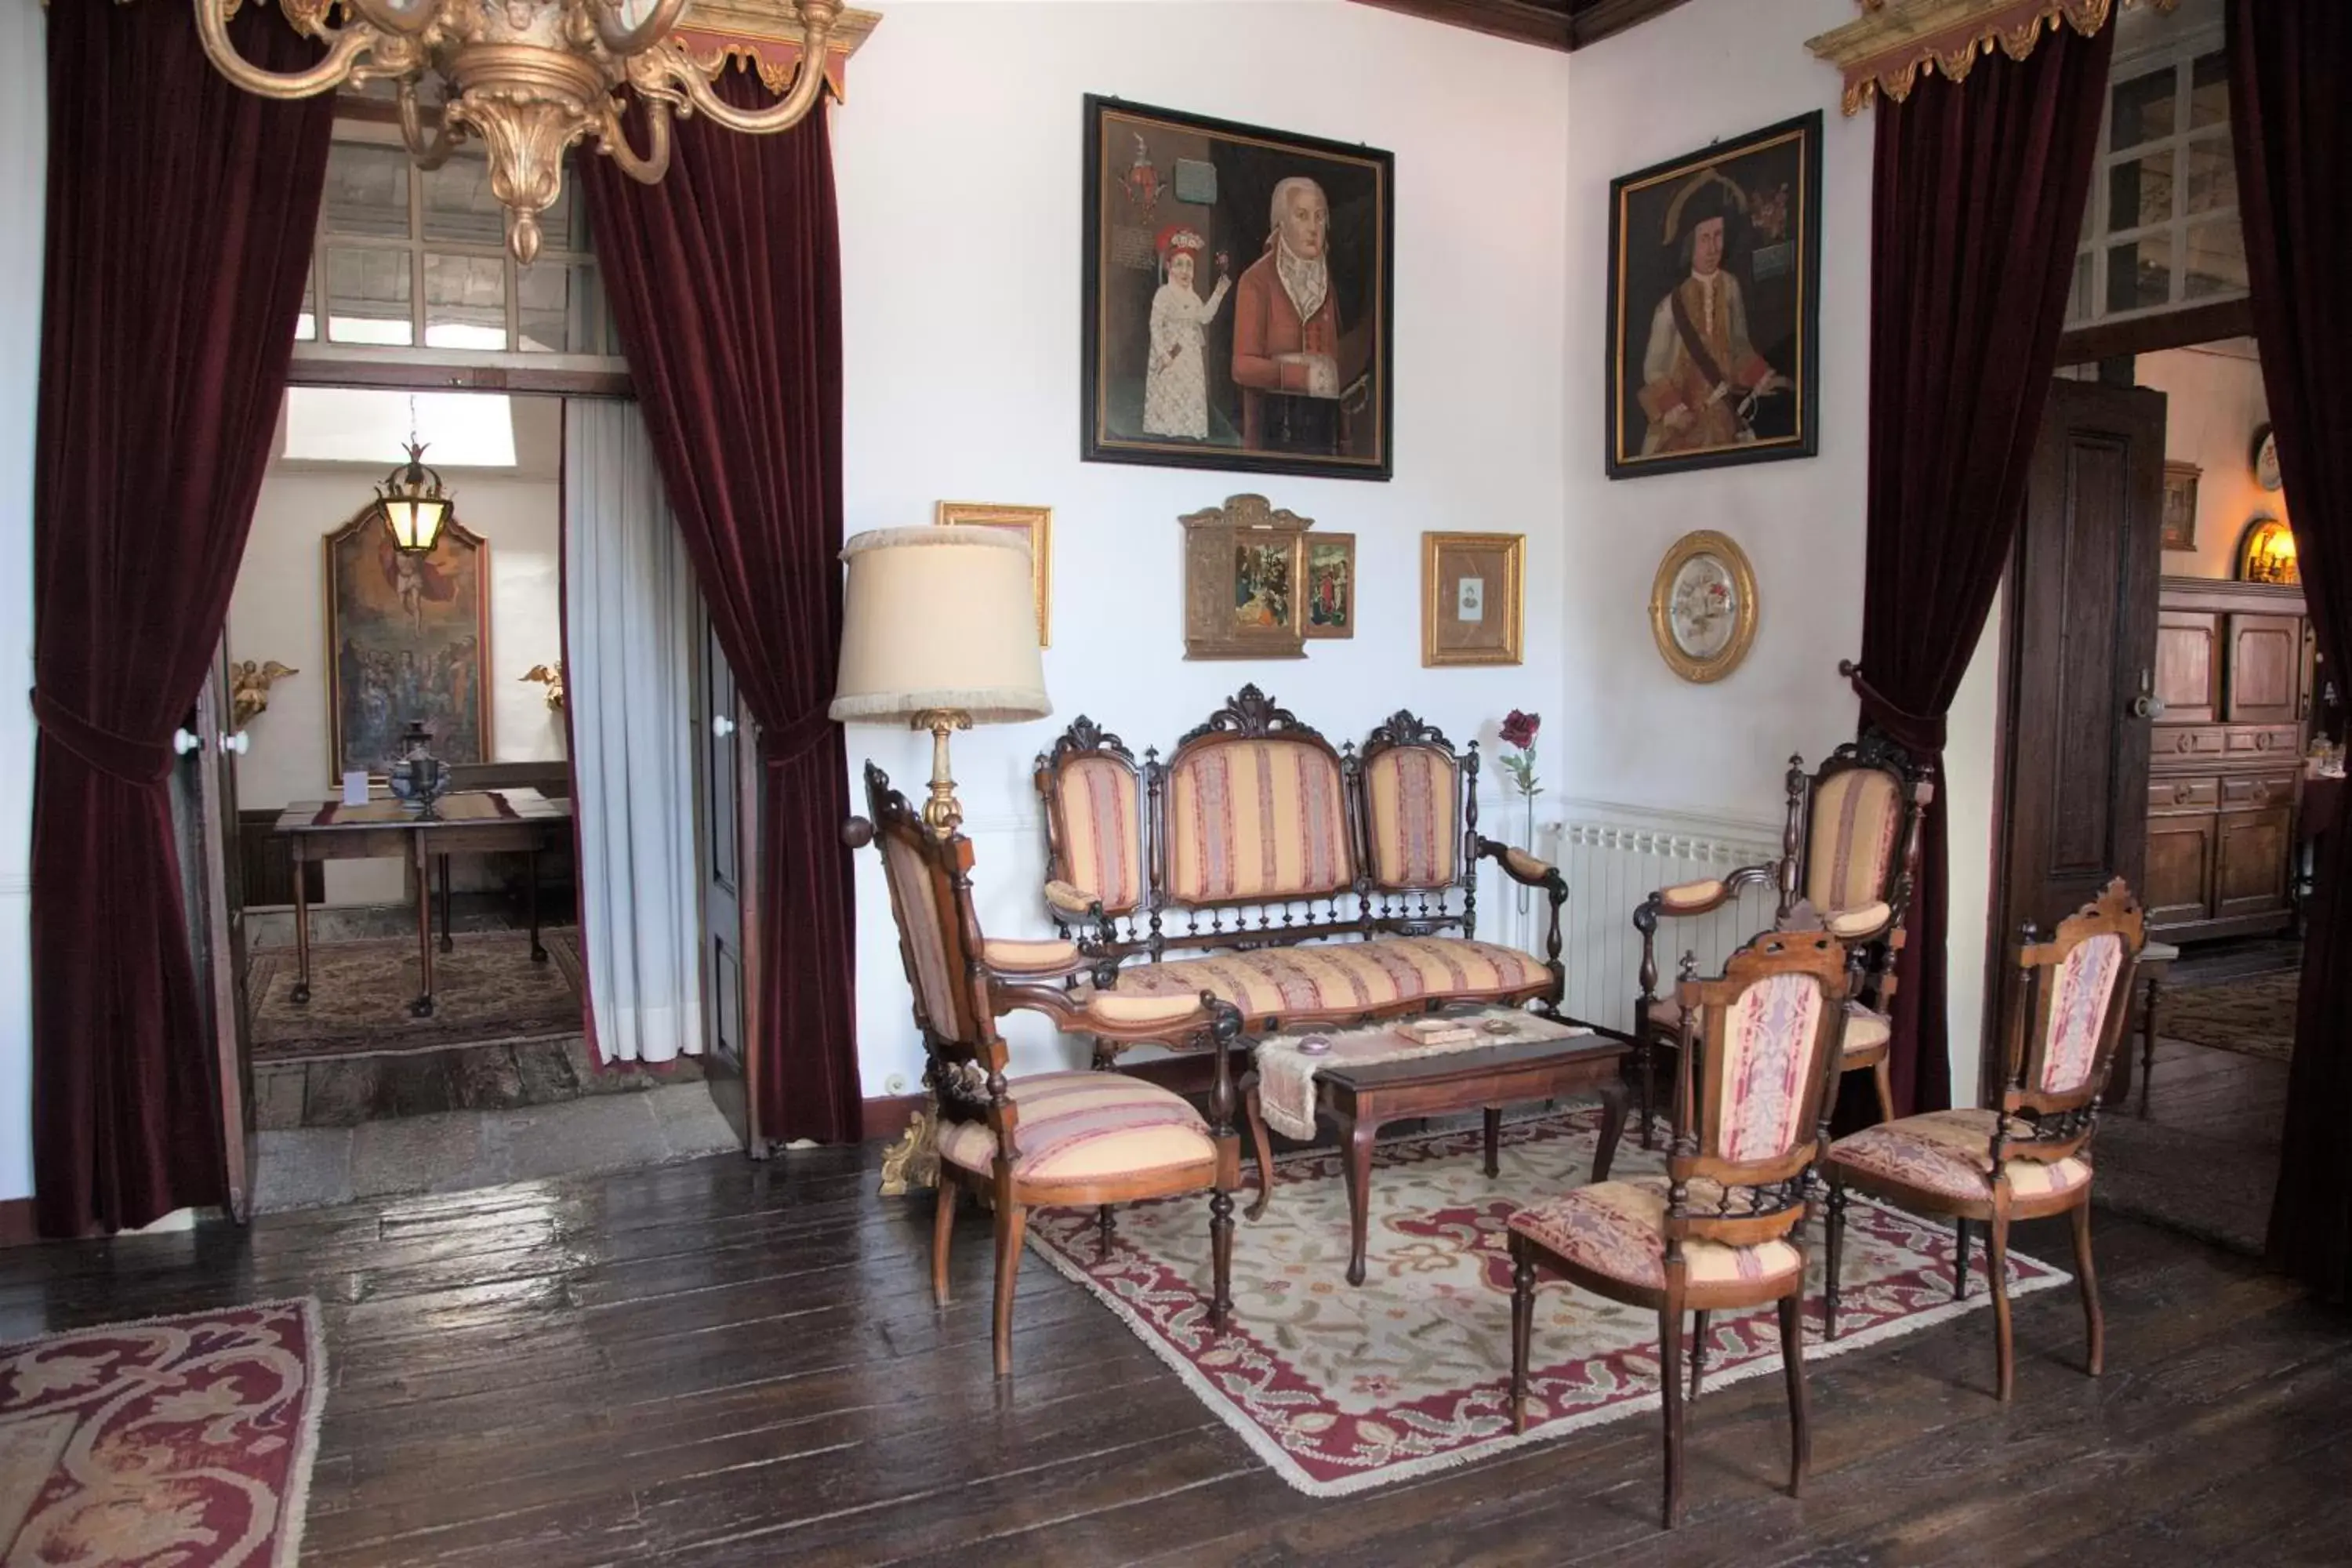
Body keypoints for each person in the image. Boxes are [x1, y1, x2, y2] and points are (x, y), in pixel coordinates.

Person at [1637, 173, 1788, 456]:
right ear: (1690, 244)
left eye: (1718, 235)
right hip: (1684, 424)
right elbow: (1653, 368)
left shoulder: (1730, 287)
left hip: (1724, 417)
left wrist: (1763, 378)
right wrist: (1674, 408)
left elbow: (1739, 346)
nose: (1713, 247)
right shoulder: (1670, 305)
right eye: (1705, 238)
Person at [1232, 176, 1344, 449]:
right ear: (1281, 223)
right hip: (1270, 438)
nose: (1313, 228)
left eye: (1319, 218)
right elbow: (1241, 367)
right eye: (1302, 216)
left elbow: (1334, 366)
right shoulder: (1256, 280)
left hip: (1320, 439)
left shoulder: (1327, 285)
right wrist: (1300, 375)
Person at [1141, 224, 1230, 440]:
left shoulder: (1193, 298)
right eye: (1179, 264)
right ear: (1169, 266)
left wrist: (1219, 293)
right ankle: (1166, 430)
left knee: (1189, 394)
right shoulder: (1163, 295)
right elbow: (1155, 325)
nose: (1184, 271)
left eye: (1189, 266)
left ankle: (1188, 431)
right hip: (1170, 356)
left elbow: (1204, 317)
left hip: (1190, 358)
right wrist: (1162, 353)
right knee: (1169, 394)